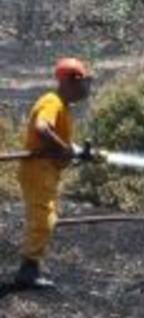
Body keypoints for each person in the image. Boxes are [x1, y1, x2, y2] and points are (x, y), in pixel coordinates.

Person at [15, 58, 92, 289]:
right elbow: (42, 128)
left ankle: (32, 266)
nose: (85, 88)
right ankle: (27, 271)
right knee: (42, 220)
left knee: (44, 219)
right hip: (38, 170)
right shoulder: (52, 101)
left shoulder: (62, 107)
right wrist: (66, 149)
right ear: (70, 80)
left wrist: (74, 151)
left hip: (46, 171)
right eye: (82, 82)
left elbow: (61, 141)